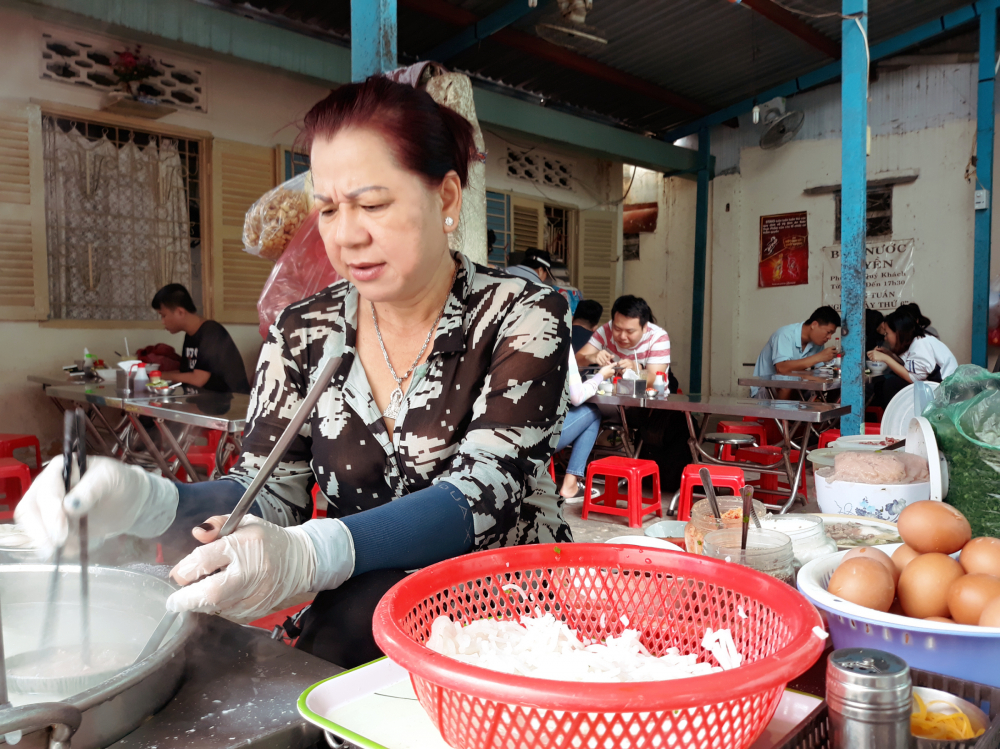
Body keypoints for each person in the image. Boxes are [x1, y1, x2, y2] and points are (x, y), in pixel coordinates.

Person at [16, 76, 572, 669]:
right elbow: (266, 488)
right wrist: (149, 501)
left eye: (374, 204)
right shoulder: (304, 330)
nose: (348, 235)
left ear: (447, 198)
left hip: (507, 619)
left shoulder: (521, 314)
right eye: (329, 209)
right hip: (361, 609)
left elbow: (483, 491)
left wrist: (313, 553)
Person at [152, 284, 251, 395]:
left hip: (232, 405)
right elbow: (186, 373)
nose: (163, 322)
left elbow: (198, 379)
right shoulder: (190, 335)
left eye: (163, 315)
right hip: (206, 403)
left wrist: (158, 376)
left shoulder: (211, 332)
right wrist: (155, 375)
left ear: (180, 312)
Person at [556, 353, 616, 501]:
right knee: (592, 411)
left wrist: (591, 358)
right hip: (536, 437)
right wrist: (600, 376)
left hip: (499, 433)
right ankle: (571, 484)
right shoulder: (560, 340)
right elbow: (577, 397)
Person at [576, 295, 672, 386]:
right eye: (617, 329)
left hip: (648, 400)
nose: (622, 336)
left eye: (630, 331)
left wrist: (635, 370)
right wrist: (588, 358)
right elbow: (574, 364)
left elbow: (655, 380)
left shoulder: (658, 337)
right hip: (611, 399)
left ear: (644, 328)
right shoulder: (606, 330)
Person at [751, 306, 841, 398]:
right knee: (786, 385)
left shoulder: (817, 343)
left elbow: (819, 373)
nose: (829, 337)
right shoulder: (784, 335)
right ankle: (783, 412)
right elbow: (781, 368)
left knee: (833, 387)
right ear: (814, 325)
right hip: (766, 389)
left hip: (796, 387)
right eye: (828, 332)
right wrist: (818, 357)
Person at [869, 308, 957, 399]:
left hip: (944, 391)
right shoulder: (918, 341)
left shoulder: (920, 344)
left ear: (897, 333)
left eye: (887, 333)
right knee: (882, 384)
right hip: (938, 386)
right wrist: (889, 355)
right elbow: (909, 368)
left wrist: (885, 358)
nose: (885, 338)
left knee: (891, 384)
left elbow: (914, 378)